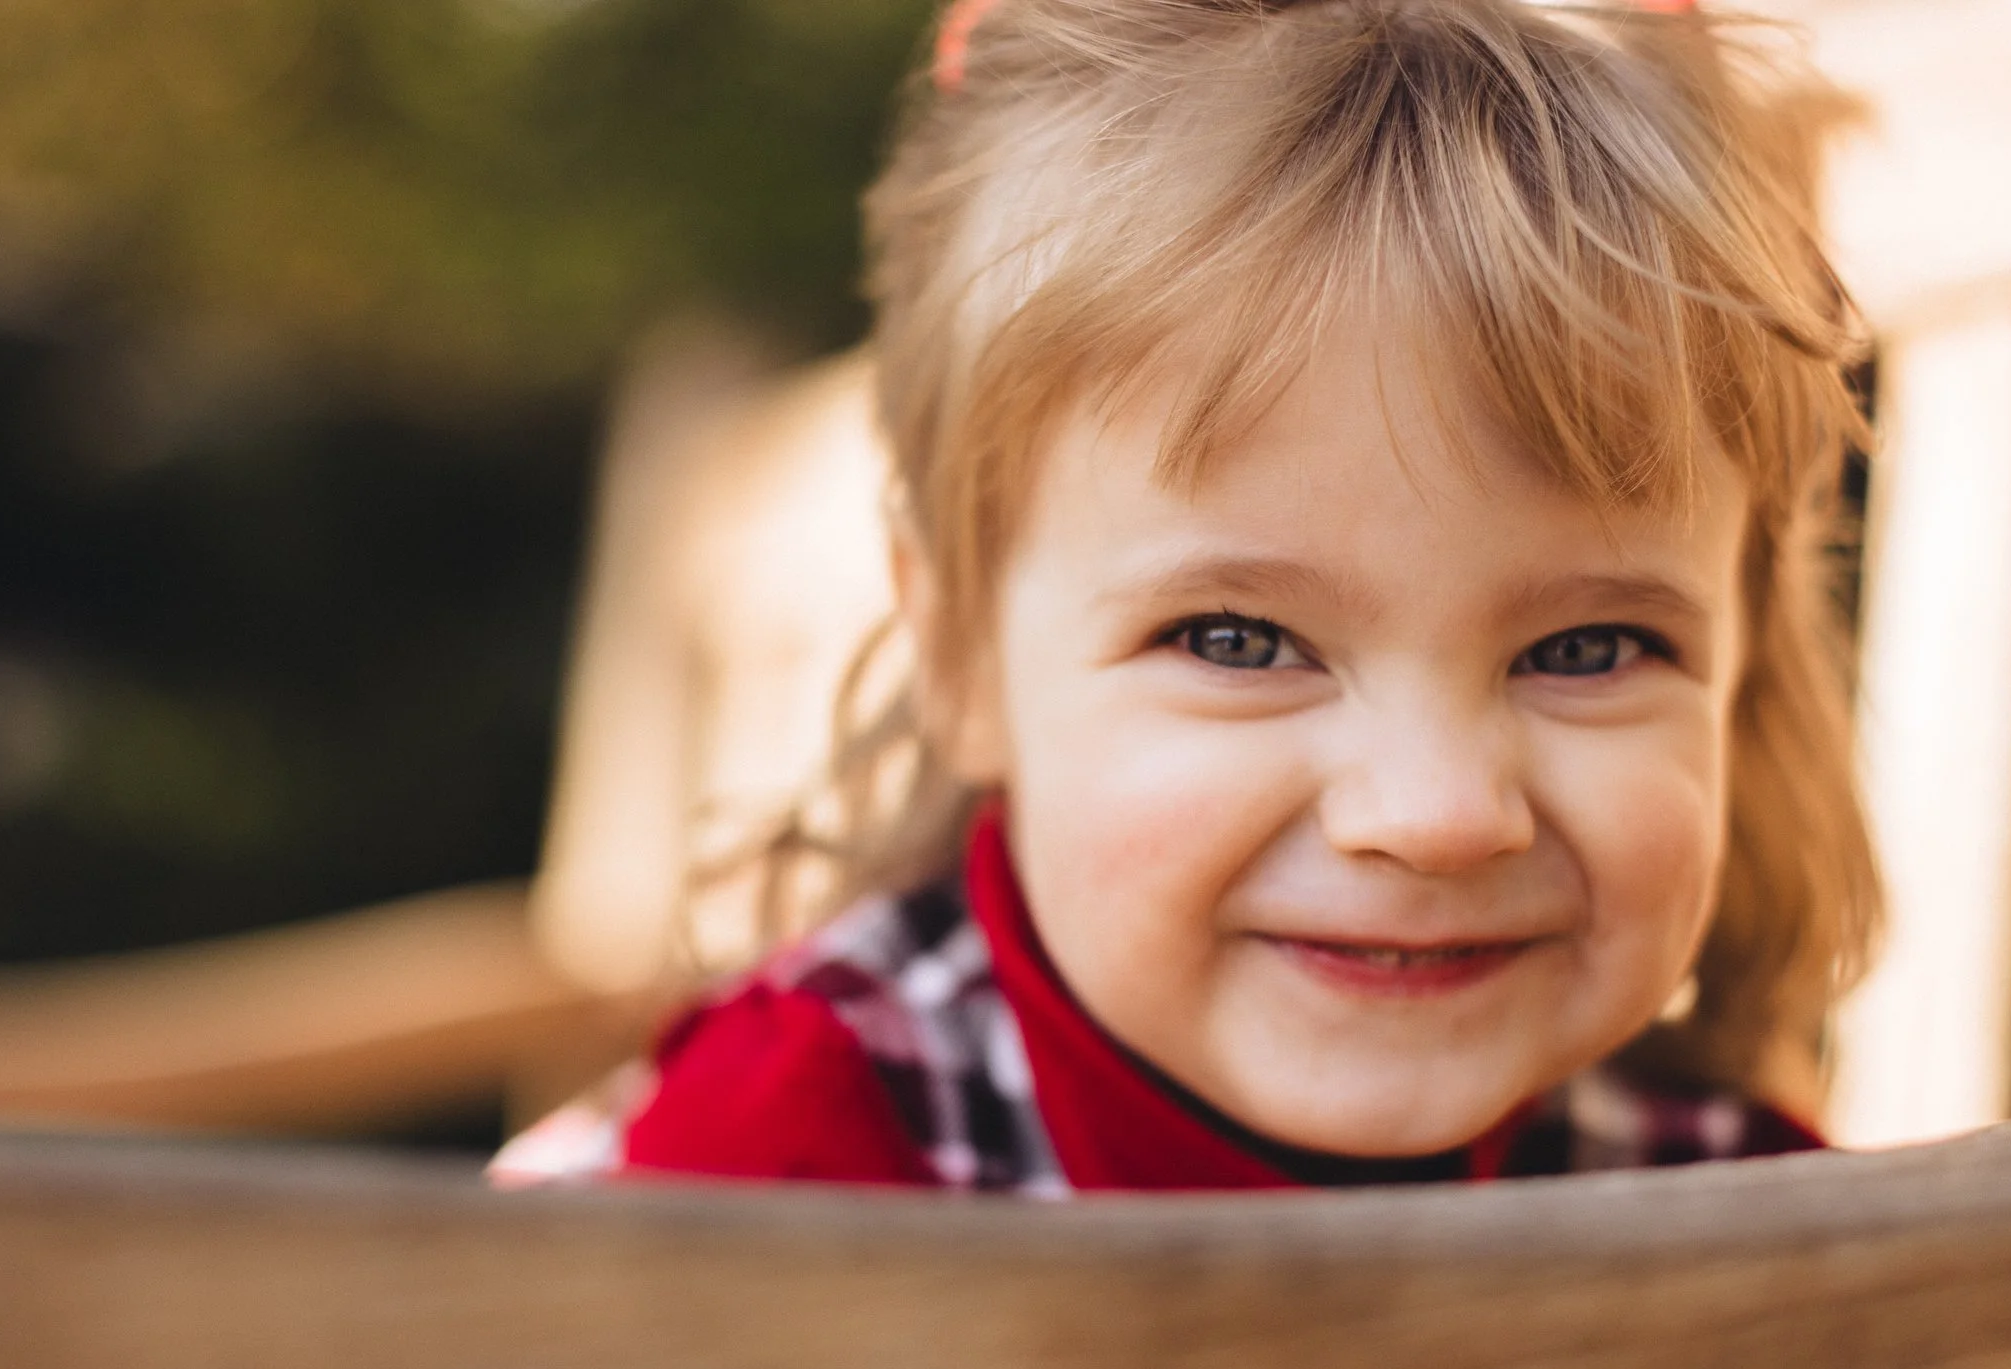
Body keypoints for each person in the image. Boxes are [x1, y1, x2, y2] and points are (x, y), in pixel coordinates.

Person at [493, 0, 1880, 1194]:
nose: (1437, 812)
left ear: (1745, 662)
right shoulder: (785, 1173)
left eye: (1588, 645)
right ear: (962, 654)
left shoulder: (1717, 1201)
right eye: (1238, 638)